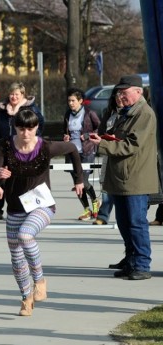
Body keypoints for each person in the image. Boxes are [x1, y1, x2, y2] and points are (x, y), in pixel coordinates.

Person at [0, 109, 84, 317]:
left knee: (26, 235)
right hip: (15, 206)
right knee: (16, 256)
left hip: (42, 205)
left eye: (30, 128)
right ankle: (26, 298)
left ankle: (40, 280)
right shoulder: (4, 146)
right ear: (15, 127)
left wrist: (79, 179)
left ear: (36, 128)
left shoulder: (45, 146)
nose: (26, 133)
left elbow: (72, 149)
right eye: (21, 128)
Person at [89, 74, 159, 281]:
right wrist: (103, 137)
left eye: (124, 92)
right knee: (124, 222)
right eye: (119, 92)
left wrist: (101, 144)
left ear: (138, 91)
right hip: (121, 176)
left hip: (134, 178)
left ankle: (142, 264)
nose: (121, 95)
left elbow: (131, 145)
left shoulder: (144, 114)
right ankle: (130, 261)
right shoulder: (125, 113)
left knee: (136, 223)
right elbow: (119, 139)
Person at [0, 82, 45, 220]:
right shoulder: (2, 111)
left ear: (22, 95)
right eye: (11, 94)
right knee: (0, 177)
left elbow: (39, 125)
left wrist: (30, 139)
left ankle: (27, 208)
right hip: (4, 148)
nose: (13, 97)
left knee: (21, 180)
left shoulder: (31, 109)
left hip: (23, 149)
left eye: (16, 94)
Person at [62, 87, 101, 221]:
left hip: (87, 150)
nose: (70, 103)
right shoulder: (68, 114)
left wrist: (87, 134)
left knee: (83, 181)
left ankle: (95, 201)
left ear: (80, 101)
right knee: (77, 183)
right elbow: (66, 130)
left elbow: (99, 128)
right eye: (69, 101)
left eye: (73, 101)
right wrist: (66, 136)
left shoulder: (90, 113)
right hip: (72, 152)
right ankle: (86, 210)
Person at [94, 87, 122, 227]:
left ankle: (124, 216)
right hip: (108, 153)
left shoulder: (134, 114)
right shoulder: (109, 112)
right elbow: (101, 131)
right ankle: (103, 215)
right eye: (116, 96)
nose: (119, 99)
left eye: (122, 96)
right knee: (105, 185)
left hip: (123, 154)